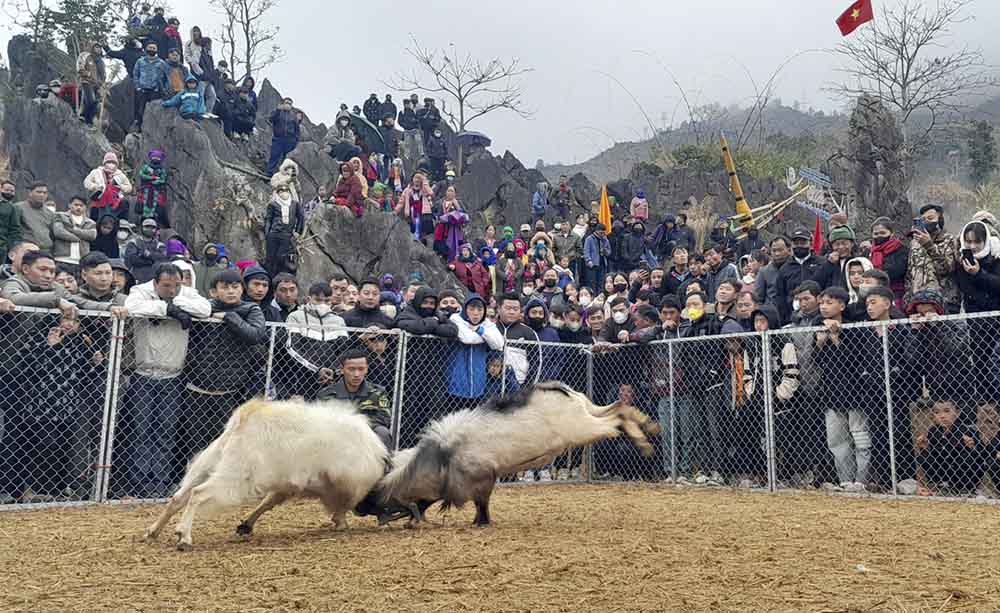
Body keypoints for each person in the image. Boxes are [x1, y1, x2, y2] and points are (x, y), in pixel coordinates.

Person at [121, 263, 211, 497]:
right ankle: (139, 485)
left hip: (172, 375)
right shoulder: (141, 291)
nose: (172, 290)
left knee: (165, 432)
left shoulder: (185, 294)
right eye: (166, 286)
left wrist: (176, 304)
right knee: (140, 432)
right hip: (143, 374)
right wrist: (167, 309)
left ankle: (159, 484)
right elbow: (131, 307)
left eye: (176, 285)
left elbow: (205, 309)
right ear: (155, 283)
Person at [181, 268, 267, 465]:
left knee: (225, 443)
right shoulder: (203, 307)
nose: (230, 291)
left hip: (231, 391)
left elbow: (255, 334)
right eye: (225, 287)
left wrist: (228, 317)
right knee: (195, 443)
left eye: (235, 287)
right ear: (213, 291)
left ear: (242, 290)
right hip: (196, 389)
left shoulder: (250, 309)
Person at [812, 286, 870, 491]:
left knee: (861, 438)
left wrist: (837, 338)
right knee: (837, 440)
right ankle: (845, 479)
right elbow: (817, 363)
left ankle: (862, 480)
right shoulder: (818, 328)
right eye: (822, 303)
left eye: (829, 302)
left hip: (856, 393)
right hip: (831, 393)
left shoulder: (854, 329)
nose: (824, 307)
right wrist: (820, 343)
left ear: (842, 305)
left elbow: (854, 362)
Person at [915, 400, 984, 496]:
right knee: (923, 456)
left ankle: (965, 488)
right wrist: (924, 448)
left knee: (966, 457)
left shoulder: (967, 430)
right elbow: (934, 455)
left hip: (963, 471)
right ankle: (942, 485)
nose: (942, 416)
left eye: (947, 411)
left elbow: (983, 454)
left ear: (957, 413)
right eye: (936, 412)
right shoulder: (933, 431)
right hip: (944, 467)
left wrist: (972, 447)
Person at [447, 294, 505, 407]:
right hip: (456, 384)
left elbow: (499, 343)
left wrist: (479, 329)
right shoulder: (456, 318)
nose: (476, 313)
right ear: (465, 309)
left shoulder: (486, 323)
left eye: (480, 309)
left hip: (478, 385)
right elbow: (467, 338)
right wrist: (486, 337)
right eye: (472, 309)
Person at [906, 203, 959, 314]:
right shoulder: (914, 243)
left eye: (930, 218)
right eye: (923, 219)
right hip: (918, 301)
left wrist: (929, 246)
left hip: (944, 300)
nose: (926, 222)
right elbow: (910, 274)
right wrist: (907, 299)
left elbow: (947, 269)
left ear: (939, 219)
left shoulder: (949, 239)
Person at [775, 227, 823, 324]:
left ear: (810, 243)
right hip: (792, 317)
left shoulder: (821, 263)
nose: (799, 245)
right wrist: (785, 317)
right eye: (796, 243)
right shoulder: (784, 268)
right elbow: (780, 296)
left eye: (803, 242)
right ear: (791, 245)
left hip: (819, 315)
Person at [264, 184, 304, 278]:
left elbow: (301, 217)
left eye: (286, 190)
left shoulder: (294, 204)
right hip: (273, 233)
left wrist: (298, 231)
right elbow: (268, 219)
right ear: (277, 193)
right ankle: (269, 277)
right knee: (270, 258)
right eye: (281, 191)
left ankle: (280, 276)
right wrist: (267, 233)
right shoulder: (273, 204)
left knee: (281, 257)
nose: (284, 193)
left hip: (286, 234)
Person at [868, 217, 908, 309]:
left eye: (883, 233)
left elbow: (898, 271)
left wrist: (876, 277)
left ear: (891, 233)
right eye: (876, 234)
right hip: (872, 293)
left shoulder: (901, 250)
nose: (879, 236)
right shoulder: (869, 252)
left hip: (896, 293)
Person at [131, 41, 169, 131]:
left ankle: (153, 130)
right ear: (146, 49)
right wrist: (138, 87)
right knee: (141, 111)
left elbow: (166, 77)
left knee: (154, 111)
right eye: (150, 48)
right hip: (142, 90)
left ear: (157, 50)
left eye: (154, 48)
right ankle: (140, 129)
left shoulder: (161, 63)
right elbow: (135, 74)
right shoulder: (140, 61)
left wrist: (163, 88)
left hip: (155, 91)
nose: (151, 49)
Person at [52, 196, 97, 268]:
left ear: (85, 207)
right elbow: (59, 232)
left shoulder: (90, 222)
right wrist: (75, 238)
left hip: (82, 259)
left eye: (81, 205)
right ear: (69, 205)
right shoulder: (60, 216)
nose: (78, 207)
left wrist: (73, 230)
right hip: (62, 258)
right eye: (76, 205)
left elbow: (92, 235)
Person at [185, 26, 217, 117]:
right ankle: (200, 112)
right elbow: (187, 56)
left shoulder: (206, 45)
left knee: (212, 95)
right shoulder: (189, 43)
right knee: (200, 95)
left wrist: (212, 74)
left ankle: (208, 112)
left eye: (198, 31)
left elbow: (211, 60)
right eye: (194, 31)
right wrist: (195, 67)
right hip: (199, 73)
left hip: (209, 74)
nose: (196, 33)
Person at [124, 218, 168, 284]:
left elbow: (162, 259)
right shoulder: (133, 243)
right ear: (141, 228)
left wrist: (148, 255)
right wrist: (150, 261)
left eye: (152, 227)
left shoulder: (160, 245)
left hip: (155, 281)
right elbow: (133, 260)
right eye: (147, 227)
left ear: (156, 229)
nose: (150, 229)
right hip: (136, 280)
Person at [267, 97, 301, 176]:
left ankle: (283, 176)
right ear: (283, 103)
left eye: (290, 103)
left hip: (289, 140)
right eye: (286, 103)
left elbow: (297, 130)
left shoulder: (293, 116)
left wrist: (295, 140)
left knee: (286, 160)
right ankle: (269, 173)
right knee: (274, 156)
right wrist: (278, 110)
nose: (288, 105)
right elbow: (271, 119)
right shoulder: (278, 112)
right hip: (278, 138)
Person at [395, 173, 434, 241]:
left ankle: (421, 241)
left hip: (423, 212)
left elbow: (431, 193)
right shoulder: (407, 190)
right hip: (411, 212)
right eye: (415, 178)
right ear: (412, 179)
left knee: (423, 229)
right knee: (413, 227)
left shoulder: (424, 189)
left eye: (419, 178)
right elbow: (401, 202)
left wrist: (424, 181)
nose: (417, 180)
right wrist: (396, 211)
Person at [752, 236, 788, 308]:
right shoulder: (764, 271)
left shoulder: (795, 268)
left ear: (788, 249)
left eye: (780, 250)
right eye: (774, 251)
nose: (777, 254)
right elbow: (758, 298)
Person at [76, 42, 106, 127]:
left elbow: (103, 74)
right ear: (92, 47)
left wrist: (102, 83)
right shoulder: (85, 55)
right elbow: (80, 67)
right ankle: (84, 117)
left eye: (100, 48)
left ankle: (88, 120)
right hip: (86, 81)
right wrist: (88, 74)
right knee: (91, 100)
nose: (99, 49)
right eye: (96, 47)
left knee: (96, 103)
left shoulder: (101, 61)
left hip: (97, 85)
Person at [437, 187, 468, 262]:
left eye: (452, 191)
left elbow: (464, 214)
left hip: (456, 228)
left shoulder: (458, 202)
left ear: (455, 193)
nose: (450, 192)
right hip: (444, 228)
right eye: (448, 191)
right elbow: (438, 215)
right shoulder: (441, 202)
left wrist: (456, 205)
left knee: (456, 244)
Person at [583, 223, 611, 293]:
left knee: (601, 283)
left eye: (604, 233)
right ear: (596, 231)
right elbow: (586, 251)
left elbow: (609, 252)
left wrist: (605, 250)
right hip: (592, 265)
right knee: (592, 284)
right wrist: (588, 261)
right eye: (601, 232)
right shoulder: (589, 239)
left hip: (602, 264)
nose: (602, 234)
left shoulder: (605, 240)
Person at [0, 180, 22, 267]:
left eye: (12, 191)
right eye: (7, 190)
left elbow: (15, 229)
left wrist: (12, 247)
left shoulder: (11, 208)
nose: (9, 192)